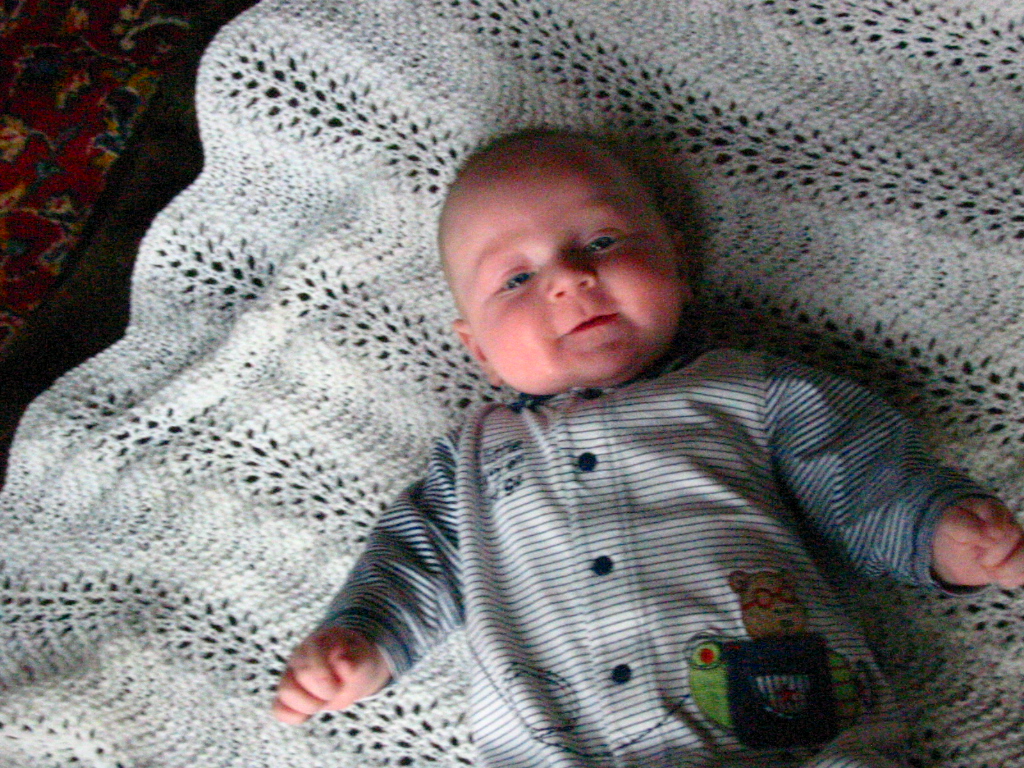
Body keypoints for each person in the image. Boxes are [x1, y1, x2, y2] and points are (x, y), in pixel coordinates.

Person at [272, 128, 1024, 766]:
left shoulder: (747, 390)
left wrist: (939, 529)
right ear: (480, 352)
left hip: (790, 737)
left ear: (677, 265)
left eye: (601, 242)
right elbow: (416, 561)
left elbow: (856, 472)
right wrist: (363, 639)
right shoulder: (471, 460)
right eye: (517, 278)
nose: (569, 279)